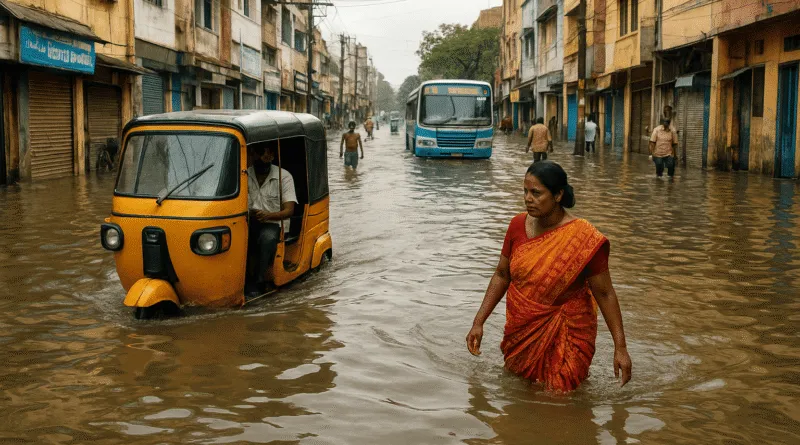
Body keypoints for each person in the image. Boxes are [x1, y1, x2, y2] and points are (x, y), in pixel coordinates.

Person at [466, 161, 632, 392]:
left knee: (562, 399)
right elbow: (502, 275)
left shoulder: (583, 238)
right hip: (522, 332)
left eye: (536, 193)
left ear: (558, 195)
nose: (528, 198)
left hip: (568, 333)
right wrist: (478, 322)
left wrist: (620, 348)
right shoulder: (516, 226)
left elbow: (604, 293)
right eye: (525, 191)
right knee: (517, 392)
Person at [246, 142, 298, 297]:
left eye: (268, 155)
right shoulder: (245, 175)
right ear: (253, 155)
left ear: (273, 157)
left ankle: (260, 279)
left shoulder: (284, 176)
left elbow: (289, 210)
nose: (265, 158)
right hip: (249, 220)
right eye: (261, 154)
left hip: (274, 222)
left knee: (267, 238)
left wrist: (267, 216)